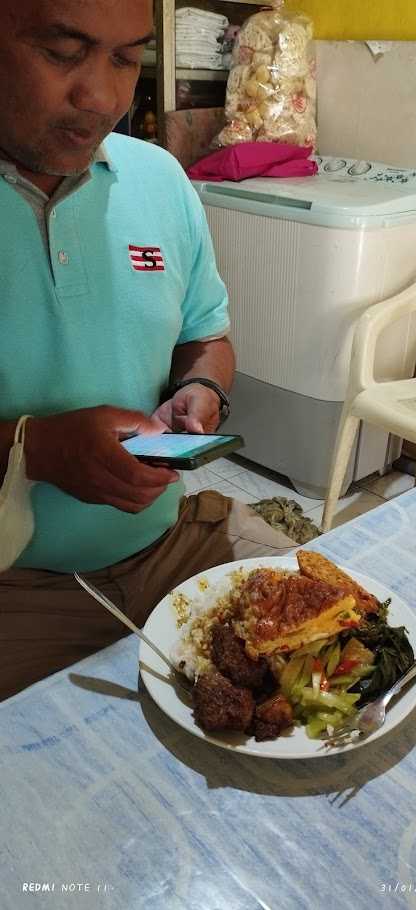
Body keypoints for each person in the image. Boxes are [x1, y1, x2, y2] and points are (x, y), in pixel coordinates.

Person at [0, 0, 294, 701]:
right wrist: (33, 450)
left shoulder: (161, 180)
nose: (101, 97)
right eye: (62, 52)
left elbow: (207, 335)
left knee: (338, 655)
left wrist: (205, 388)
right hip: (16, 586)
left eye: (127, 58)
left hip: (177, 540)